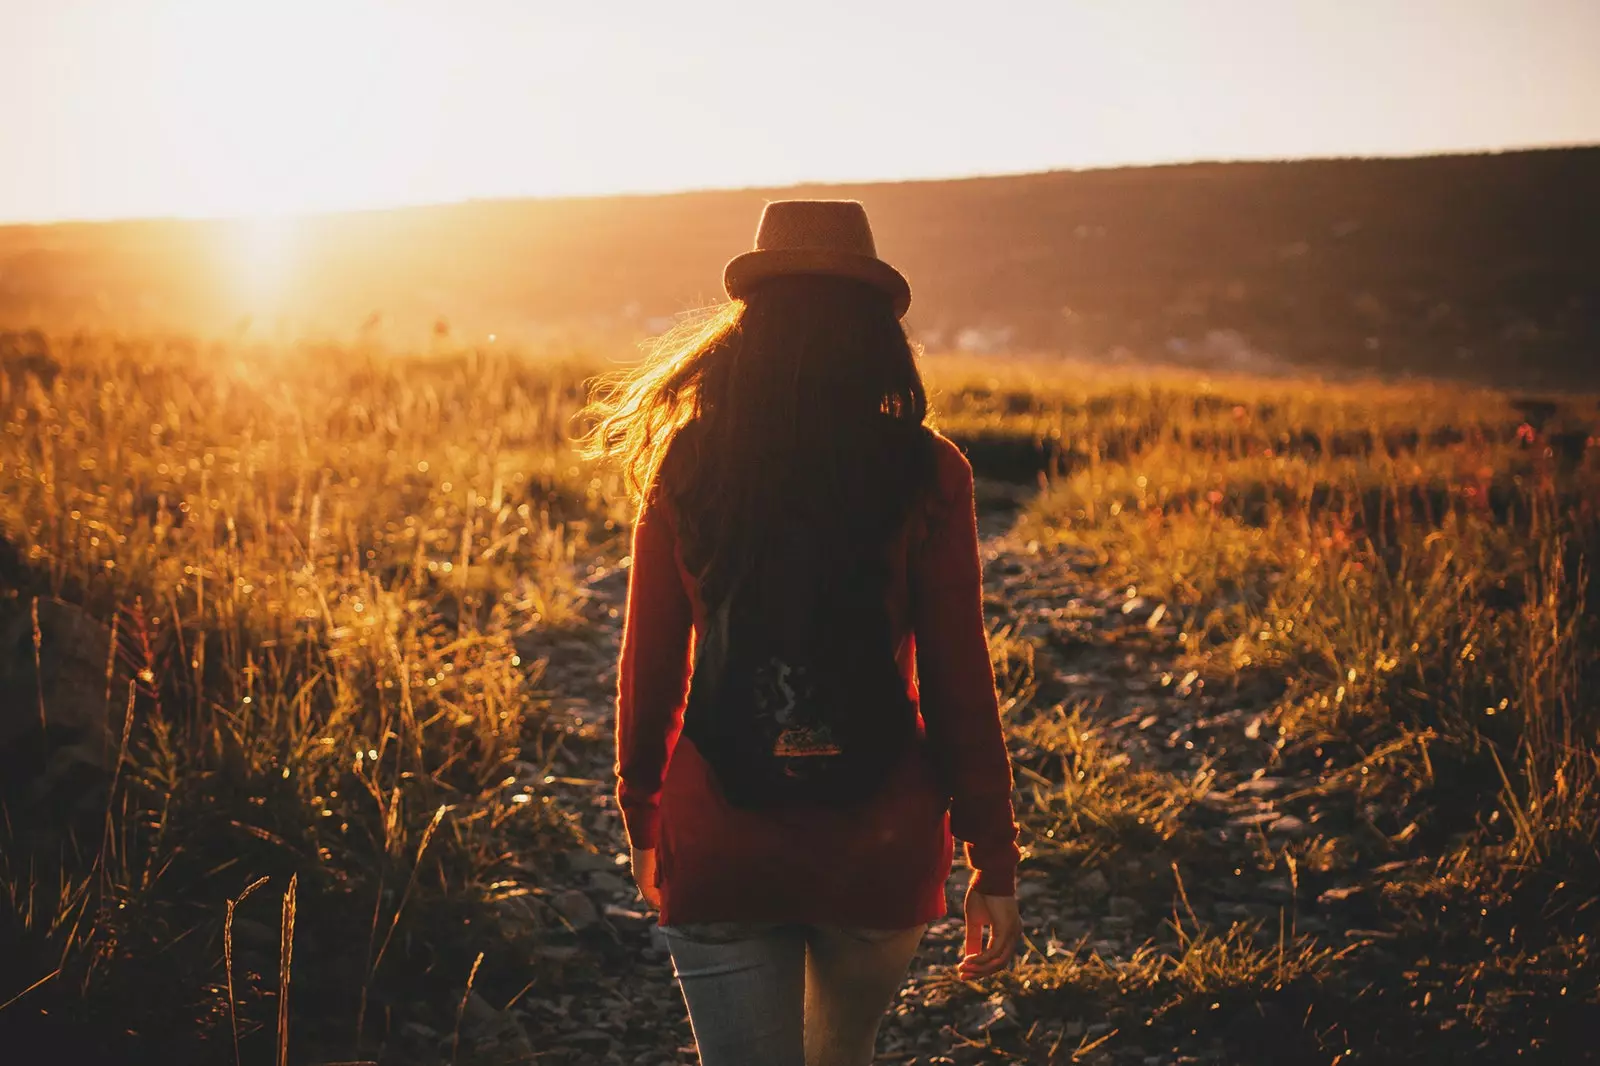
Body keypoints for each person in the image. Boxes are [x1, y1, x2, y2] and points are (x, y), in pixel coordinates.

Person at [587, 200, 1021, 1066]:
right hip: (881, 842)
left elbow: (651, 667)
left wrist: (644, 814)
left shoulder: (688, 462)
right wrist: (993, 860)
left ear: (748, 327)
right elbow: (958, 678)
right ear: (874, 331)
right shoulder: (927, 468)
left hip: (719, 834)